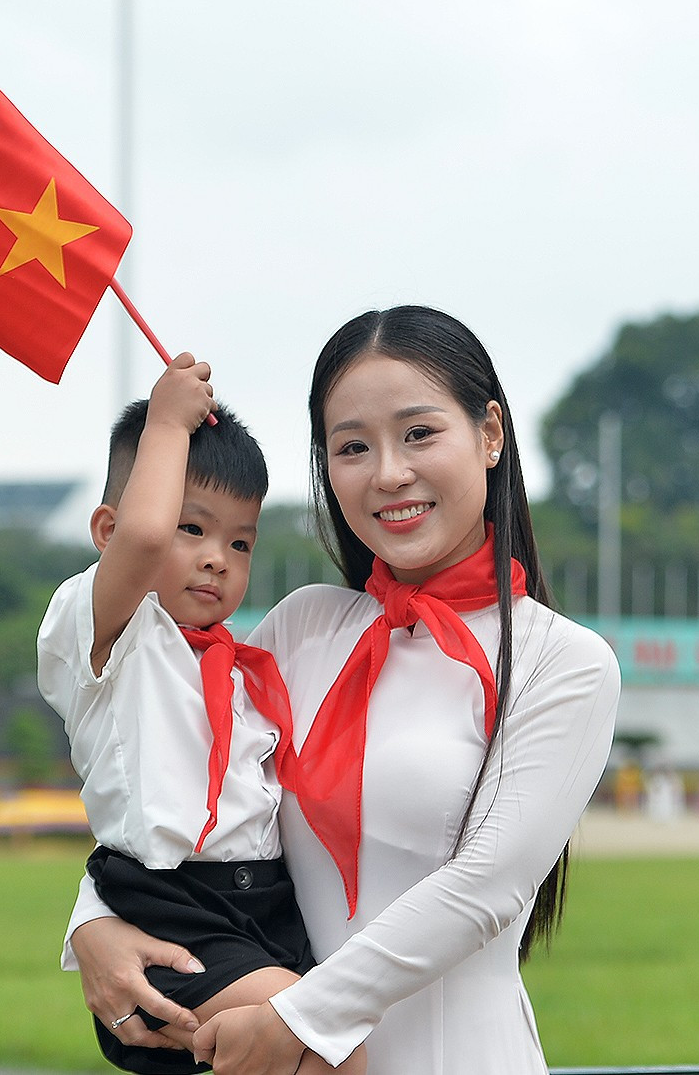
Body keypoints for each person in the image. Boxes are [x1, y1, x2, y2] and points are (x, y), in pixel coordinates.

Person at [68, 307, 621, 1075]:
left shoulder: (563, 662)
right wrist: (92, 924)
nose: (388, 473)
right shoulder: (301, 629)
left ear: (491, 434)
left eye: (419, 433)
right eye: (352, 446)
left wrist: (301, 1019)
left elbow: (484, 889)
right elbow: (178, 782)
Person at [38, 353, 360, 1075]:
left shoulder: (240, 665)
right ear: (107, 530)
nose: (217, 558)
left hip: (269, 904)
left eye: (240, 542)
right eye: (194, 529)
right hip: (175, 905)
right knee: (327, 1052)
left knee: (313, 1054)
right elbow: (143, 539)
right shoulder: (106, 634)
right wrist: (165, 420)